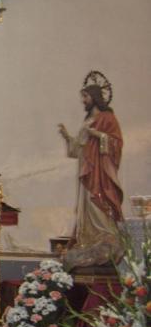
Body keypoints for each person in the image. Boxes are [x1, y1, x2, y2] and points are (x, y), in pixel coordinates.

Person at [58, 71, 123, 271]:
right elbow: (79, 148)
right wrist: (67, 137)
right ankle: (89, 239)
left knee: (98, 202)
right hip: (87, 169)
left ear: (94, 97)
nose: (83, 101)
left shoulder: (107, 117)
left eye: (85, 97)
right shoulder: (87, 121)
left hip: (100, 172)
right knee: (86, 206)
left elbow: (116, 142)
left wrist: (97, 134)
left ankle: (105, 237)